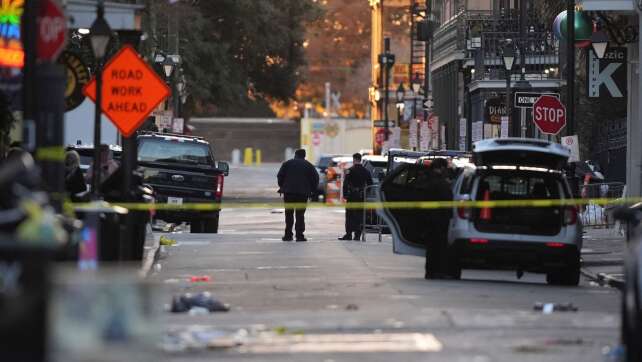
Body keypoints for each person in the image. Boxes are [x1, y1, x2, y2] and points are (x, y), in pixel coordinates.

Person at [422, 158, 455, 279]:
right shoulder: (441, 183)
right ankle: (437, 271)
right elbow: (447, 200)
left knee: (431, 246)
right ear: (441, 168)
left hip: (429, 218)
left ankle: (430, 271)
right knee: (439, 246)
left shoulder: (427, 179)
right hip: (440, 219)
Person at [277, 149, 319, 242]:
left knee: (289, 214)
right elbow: (315, 179)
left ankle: (288, 235)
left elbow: (280, 176)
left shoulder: (287, 164)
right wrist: (312, 190)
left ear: (295, 155)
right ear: (304, 156)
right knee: (300, 215)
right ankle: (299, 236)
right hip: (302, 194)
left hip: (288, 193)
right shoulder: (309, 165)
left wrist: (283, 186)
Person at [339, 153, 372, 241]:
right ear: (360, 160)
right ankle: (357, 235)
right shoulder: (366, 171)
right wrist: (365, 193)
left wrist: (345, 195)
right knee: (360, 215)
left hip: (351, 196)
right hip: (361, 197)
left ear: (354, 159)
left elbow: (345, 184)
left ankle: (348, 234)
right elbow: (370, 185)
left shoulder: (349, 170)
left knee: (350, 215)